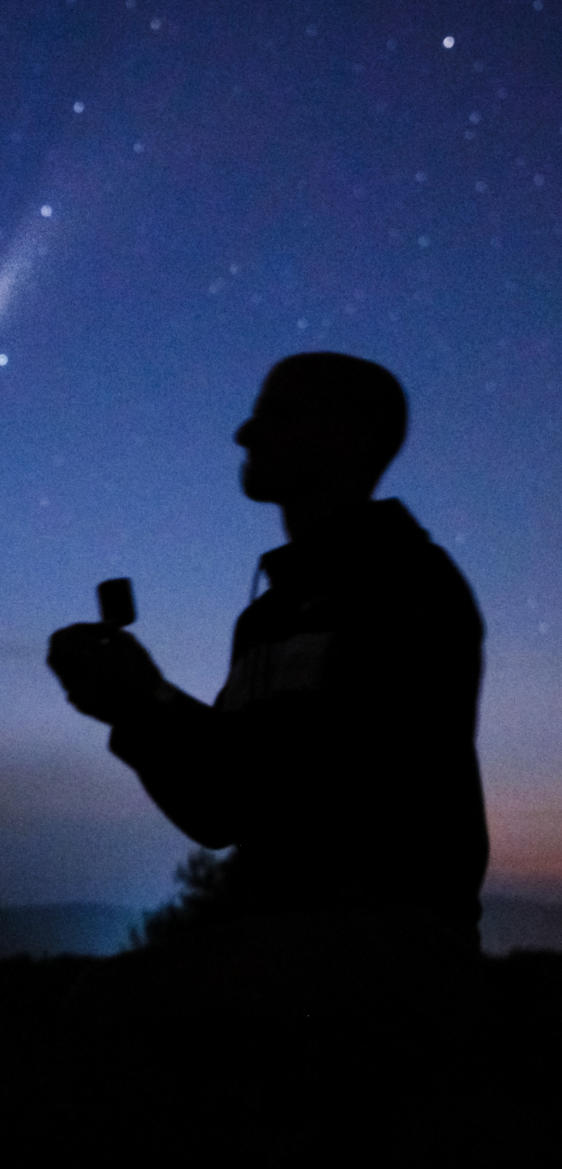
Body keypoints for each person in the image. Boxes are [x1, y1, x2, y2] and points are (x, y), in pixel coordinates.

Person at [47, 352, 489, 953]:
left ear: (342, 437)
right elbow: (221, 807)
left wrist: (146, 704)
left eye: (275, 415)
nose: (244, 433)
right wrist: (133, 703)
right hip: (291, 940)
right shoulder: (269, 616)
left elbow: (298, 793)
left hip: (376, 952)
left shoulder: (410, 587)